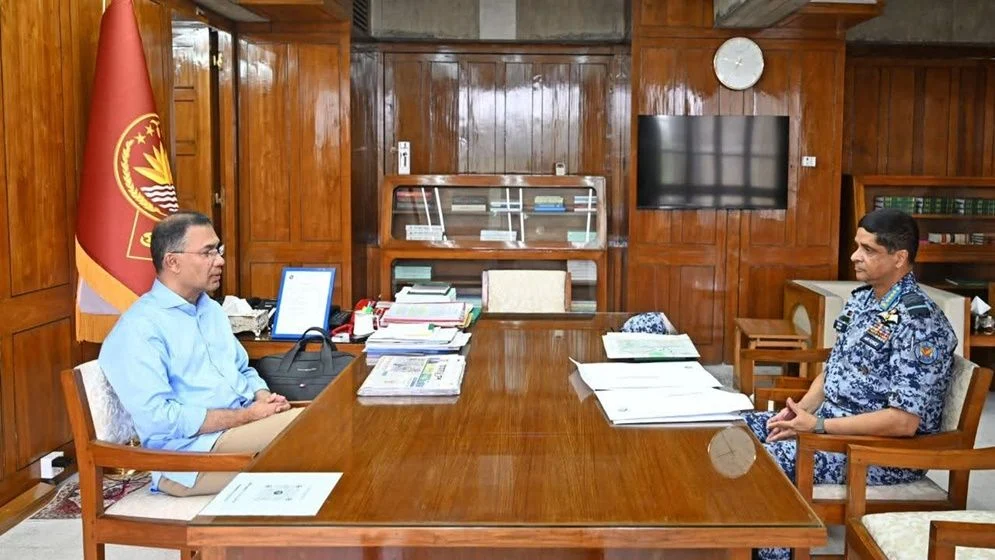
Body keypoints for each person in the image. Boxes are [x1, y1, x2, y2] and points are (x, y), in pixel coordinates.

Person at [742, 208, 957, 560]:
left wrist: (818, 427)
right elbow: (834, 370)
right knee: (736, 428)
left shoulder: (919, 322)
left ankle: (771, 555)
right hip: (831, 427)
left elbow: (903, 422)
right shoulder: (863, 300)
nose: (855, 256)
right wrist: (798, 412)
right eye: (857, 246)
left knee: (768, 461)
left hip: (878, 452)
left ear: (900, 258)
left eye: (868, 250)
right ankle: (728, 543)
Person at [99, 211, 301, 497]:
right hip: (189, 459)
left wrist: (263, 397)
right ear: (173, 261)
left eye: (218, 250)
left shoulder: (211, 310)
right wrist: (246, 416)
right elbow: (161, 420)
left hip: (239, 432)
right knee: (315, 432)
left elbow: (243, 369)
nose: (219, 261)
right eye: (207, 252)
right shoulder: (139, 328)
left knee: (328, 427)